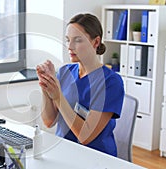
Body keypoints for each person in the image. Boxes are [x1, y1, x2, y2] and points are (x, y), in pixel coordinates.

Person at [36, 13, 124, 156]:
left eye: (77, 40)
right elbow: (48, 121)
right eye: (67, 40)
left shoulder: (111, 82)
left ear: (95, 42)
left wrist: (58, 97)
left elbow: (85, 136)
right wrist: (46, 85)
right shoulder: (65, 71)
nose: (70, 46)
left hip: (96, 158)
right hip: (63, 152)